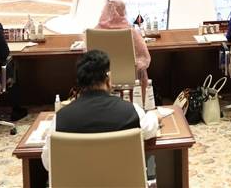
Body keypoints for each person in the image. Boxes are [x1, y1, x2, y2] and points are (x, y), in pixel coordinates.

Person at [40, 50, 158, 178]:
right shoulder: (132, 111)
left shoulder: (60, 119)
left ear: (79, 83)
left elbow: (48, 163)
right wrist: (154, 116)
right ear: (108, 79)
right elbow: (150, 129)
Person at [96, 0, 151, 93]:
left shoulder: (95, 31)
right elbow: (145, 58)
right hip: (130, 79)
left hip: (101, 79)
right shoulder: (131, 31)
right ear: (123, 12)